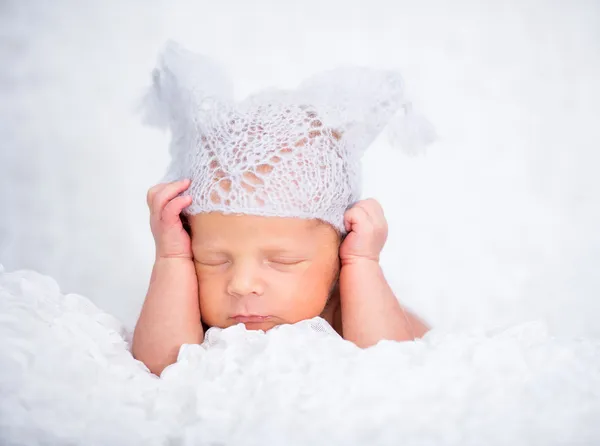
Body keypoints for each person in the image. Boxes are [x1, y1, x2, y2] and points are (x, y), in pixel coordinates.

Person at [132, 41, 430, 376]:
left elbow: (393, 369)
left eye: (281, 260)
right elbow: (159, 368)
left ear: (339, 253)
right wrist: (171, 258)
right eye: (212, 260)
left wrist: (363, 263)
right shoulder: (193, 317)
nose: (242, 284)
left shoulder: (350, 311)